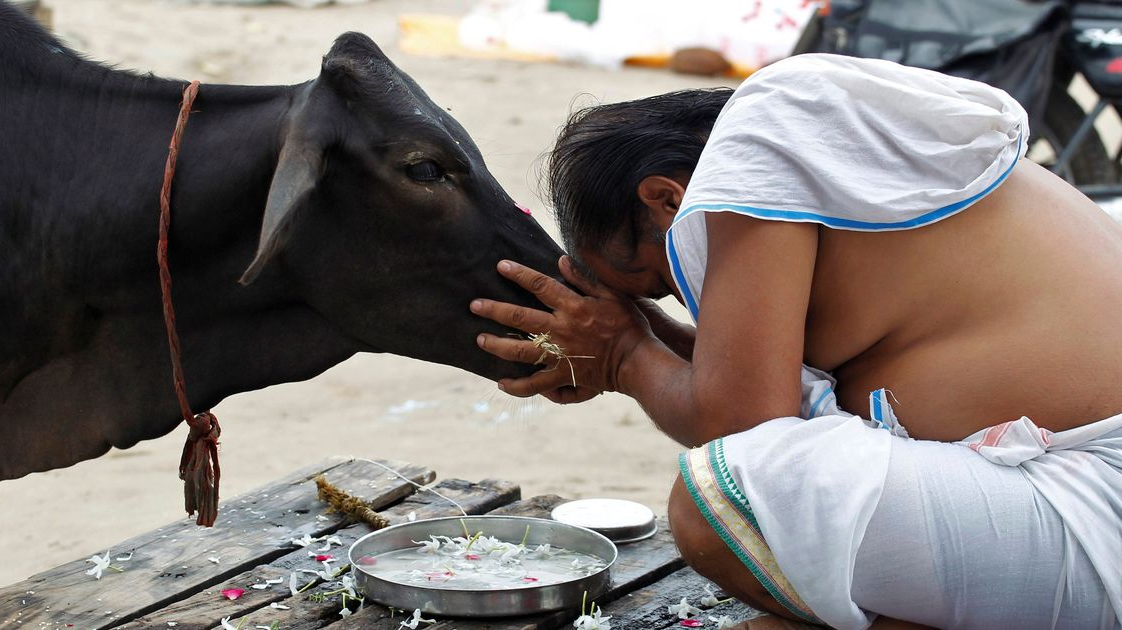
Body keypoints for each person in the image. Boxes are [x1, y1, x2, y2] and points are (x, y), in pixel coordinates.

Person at [469, 53, 1122, 629]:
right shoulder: (809, 162)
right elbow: (759, 375)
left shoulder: (760, 135)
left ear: (668, 201)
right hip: (1077, 505)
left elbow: (746, 425)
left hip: (1098, 503)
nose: (678, 296)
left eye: (655, 282)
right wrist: (641, 337)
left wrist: (625, 358)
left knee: (720, 500)